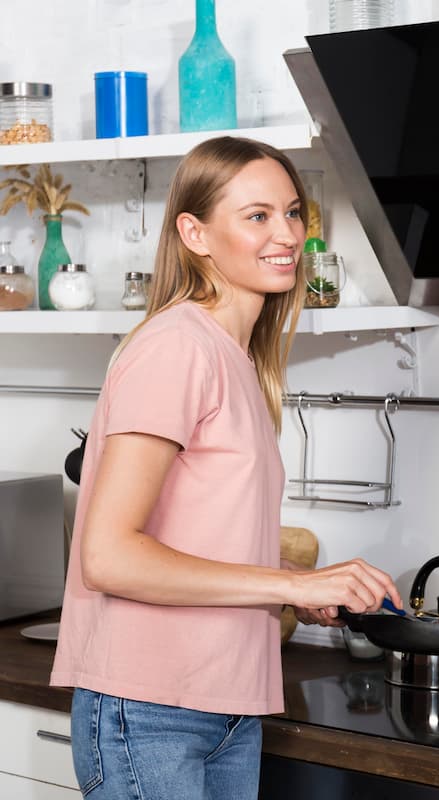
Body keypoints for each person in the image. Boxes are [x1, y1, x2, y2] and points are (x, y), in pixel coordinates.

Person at [50, 136, 402, 800]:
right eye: (258, 215)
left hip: (223, 705)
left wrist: (298, 582)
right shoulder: (177, 348)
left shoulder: (237, 359)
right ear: (196, 233)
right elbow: (109, 557)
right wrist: (289, 587)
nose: (288, 235)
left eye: (294, 213)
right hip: (148, 710)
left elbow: (198, 543)